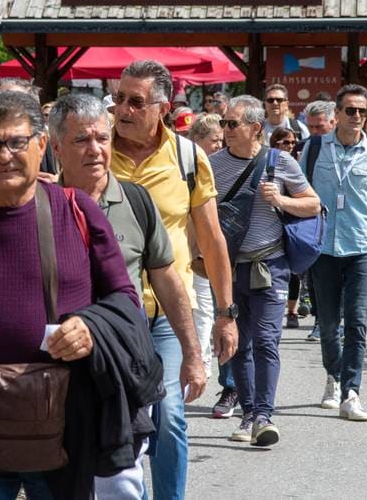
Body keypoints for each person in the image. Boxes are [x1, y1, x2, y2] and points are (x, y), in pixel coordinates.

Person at [0, 90, 142, 499]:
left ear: (41, 145)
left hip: (64, 421)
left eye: (17, 142)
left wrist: (89, 327)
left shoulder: (77, 210)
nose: (3, 156)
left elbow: (126, 298)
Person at [48, 94, 205, 499]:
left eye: (103, 137)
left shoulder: (135, 201)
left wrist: (193, 354)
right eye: (82, 140)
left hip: (125, 365)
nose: (96, 149)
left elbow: (167, 279)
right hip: (59, 368)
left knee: (126, 474)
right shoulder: (37, 204)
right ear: (56, 147)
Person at [109, 60, 237, 500]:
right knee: (112, 421)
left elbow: (212, 238)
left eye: (135, 101)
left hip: (168, 311)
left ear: (162, 108)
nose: (122, 109)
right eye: (119, 98)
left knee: (168, 415)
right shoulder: (91, 149)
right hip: (107, 313)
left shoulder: (187, 157)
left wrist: (225, 315)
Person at [210, 96, 319, 446]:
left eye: (232, 124)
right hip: (229, 269)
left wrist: (282, 201)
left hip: (270, 265)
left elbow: (313, 204)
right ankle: (247, 415)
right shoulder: (211, 165)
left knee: (267, 343)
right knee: (237, 346)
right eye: (224, 124)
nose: (224, 130)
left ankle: (263, 417)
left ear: (256, 128)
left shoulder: (280, 161)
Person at [304, 85, 367, 422]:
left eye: (361, 111)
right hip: (323, 247)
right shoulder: (314, 149)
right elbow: (298, 192)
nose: (356, 116)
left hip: (361, 246)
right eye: (350, 110)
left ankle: (351, 392)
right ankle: (333, 373)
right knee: (328, 325)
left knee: (356, 323)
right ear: (337, 114)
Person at [186, 113, 224, 398]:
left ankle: (204, 366)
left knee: (204, 310)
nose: (219, 146)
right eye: (214, 140)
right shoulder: (184, 165)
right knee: (192, 309)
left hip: (208, 253)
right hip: (184, 253)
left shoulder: (221, 167)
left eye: (222, 140)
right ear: (196, 140)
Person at [298, 100, 338, 342]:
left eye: (320, 127)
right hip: (317, 221)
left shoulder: (352, 146)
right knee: (318, 277)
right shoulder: (311, 146)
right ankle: (320, 322)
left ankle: (338, 323)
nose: (314, 132)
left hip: (347, 225)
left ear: (334, 122)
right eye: (310, 127)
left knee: (342, 278)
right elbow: (300, 182)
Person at [269, 127, 304, 330]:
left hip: (293, 223)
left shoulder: (296, 164)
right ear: (275, 143)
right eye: (285, 143)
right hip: (275, 223)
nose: (290, 146)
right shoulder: (271, 164)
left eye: (293, 143)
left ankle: (292, 311)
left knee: (294, 273)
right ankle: (276, 308)